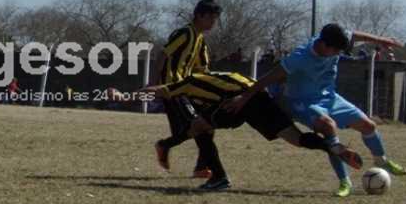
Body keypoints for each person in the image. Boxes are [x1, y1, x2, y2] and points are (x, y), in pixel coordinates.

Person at [224, 23, 406, 197]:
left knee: (368, 126)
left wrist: (380, 40)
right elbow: (268, 78)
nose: (337, 54)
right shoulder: (299, 58)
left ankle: (381, 161)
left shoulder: (336, 37)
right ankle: (345, 182)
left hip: (329, 97)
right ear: (324, 45)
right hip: (302, 102)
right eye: (336, 51)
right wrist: (244, 98)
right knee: (328, 127)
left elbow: (354, 34)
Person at [109, 71, 363, 191]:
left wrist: (125, 96)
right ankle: (332, 146)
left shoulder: (189, 82)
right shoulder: (218, 74)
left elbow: (160, 91)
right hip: (259, 96)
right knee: (296, 138)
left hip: (240, 102)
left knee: (199, 127)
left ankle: (218, 178)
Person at [151, 0, 221, 179]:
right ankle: (167, 147)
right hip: (173, 89)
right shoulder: (184, 33)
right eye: (211, 18)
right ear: (199, 16)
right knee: (201, 126)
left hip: (187, 90)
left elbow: (202, 69)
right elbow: (162, 55)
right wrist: (154, 84)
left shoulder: (200, 39)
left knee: (204, 126)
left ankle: (197, 165)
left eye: (215, 18)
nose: (213, 22)